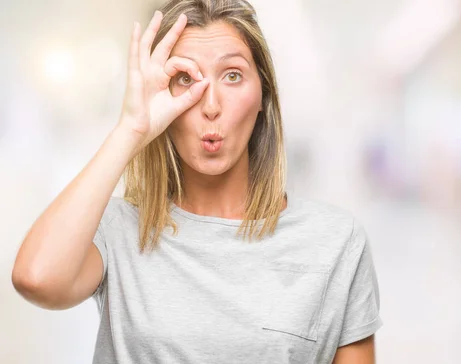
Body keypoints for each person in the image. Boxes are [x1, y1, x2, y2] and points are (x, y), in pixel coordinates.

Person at [11, 0, 383, 363]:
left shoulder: (335, 242)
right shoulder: (117, 229)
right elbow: (37, 278)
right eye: (185, 79)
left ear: (262, 95)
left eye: (233, 75)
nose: (210, 106)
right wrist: (131, 129)